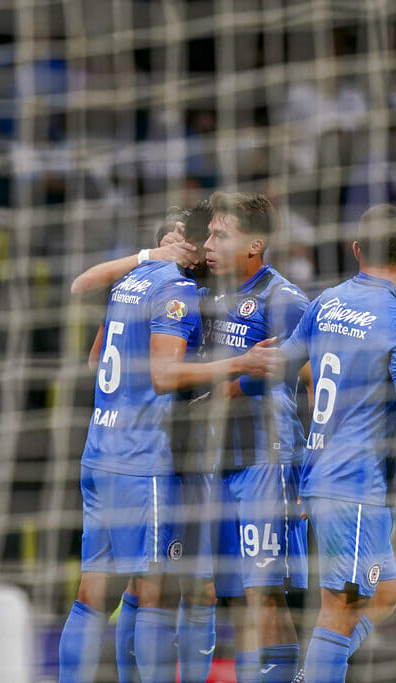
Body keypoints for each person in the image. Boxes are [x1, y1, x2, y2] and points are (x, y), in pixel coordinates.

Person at [59, 208, 283, 683]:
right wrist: (238, 363)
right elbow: (163, 376)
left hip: (101, 448)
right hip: (143, 458)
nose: (210, 250)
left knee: (93, 593)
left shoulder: (134, 279)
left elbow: (96, 358)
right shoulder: (177, 290)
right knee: (155, 592)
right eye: (211, 240)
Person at [273, 203, 396, 682]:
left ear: (355, 249)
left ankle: (312, 672)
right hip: (353, 485)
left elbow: (285, 365)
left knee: (385, 595)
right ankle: (315, 674)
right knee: (341, 608)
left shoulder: (326, 301)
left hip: (327, 476)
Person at [199, 191, 311, 683]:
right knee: (236, 596)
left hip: (266, 461)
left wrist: (309, 470)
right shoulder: (208, 293)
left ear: (255, 244)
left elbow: (311, 378)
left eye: (221, 235)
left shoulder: (283, 298)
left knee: (265, 591)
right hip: (218, 462)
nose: (209, 243)